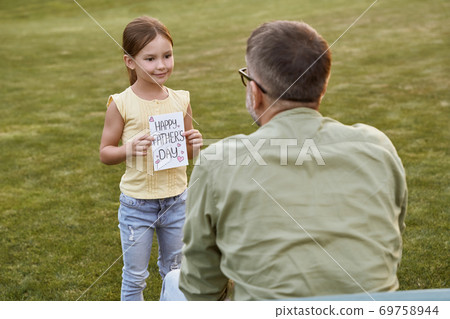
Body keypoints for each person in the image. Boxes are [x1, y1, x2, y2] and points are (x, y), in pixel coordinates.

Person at [160, 20, 407, 301]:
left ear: (255, 92)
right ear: (321, 87)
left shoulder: (219, 160)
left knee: (173, 281)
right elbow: (389, 244)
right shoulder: (377, 147)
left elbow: (200, 288)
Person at [99, 16, 203, 301]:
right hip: (137, 205)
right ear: (130, 62)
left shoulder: (180, 99)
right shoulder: (121, 104)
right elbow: (105, 152)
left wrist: (194, 144)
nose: (161, 65)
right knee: (134, 277)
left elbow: (186, 152)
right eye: (150, 58)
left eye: (167, 56)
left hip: (177, 201)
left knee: (176, 272)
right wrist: (127, 149)